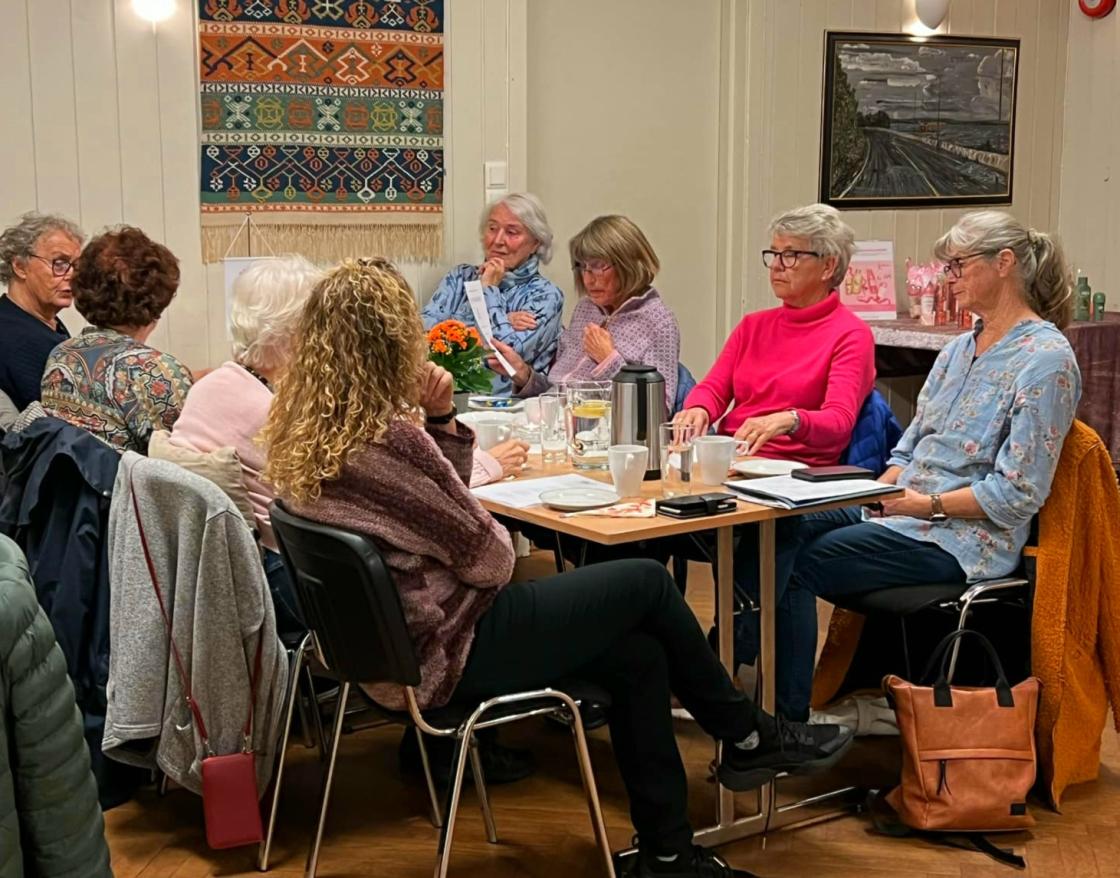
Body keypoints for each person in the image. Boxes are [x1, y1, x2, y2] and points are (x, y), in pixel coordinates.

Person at [262, 258, 852, 878]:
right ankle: (749, 735)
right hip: (448, 649)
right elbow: (493, 560)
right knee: (646, 581)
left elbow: (438, 511)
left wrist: (440, 423)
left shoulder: (309, 432)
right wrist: (435, 438)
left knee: (639, 658)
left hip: (383, 656)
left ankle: (670, 854)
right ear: (390, 346)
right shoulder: (388, 443)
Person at [737, 211, 1082, 721]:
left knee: (796, 566)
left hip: (962, 539)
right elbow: (909, 448)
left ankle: (786, 725)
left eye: (958, 265)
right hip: (902, 511)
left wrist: (922, 504)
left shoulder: (1046, 359)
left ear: (1004, 263)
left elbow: (1017, 494)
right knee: (771, 526)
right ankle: (735, 681)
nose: (949, 277)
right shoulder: (958, 349)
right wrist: (872, 495)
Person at [169, 255, 323, 637]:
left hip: (203, 579)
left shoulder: (211, 385)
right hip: (273, 583)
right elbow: (332, 502)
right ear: (294, 332)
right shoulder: (270, 411)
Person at [675, 204, 874, 465]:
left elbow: (839, 420)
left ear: (828, 266)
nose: (777, 266)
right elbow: (714, 389)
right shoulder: (752, 326)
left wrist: (790, 420)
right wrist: (698, 409)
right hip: (735, 458)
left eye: (791, 255)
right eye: (774, 254)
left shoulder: (851, 334)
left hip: (796, 470)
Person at [490, 214, 681, 412]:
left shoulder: (659, 322)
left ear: (628, 264)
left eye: (598, 266)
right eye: (583, 267)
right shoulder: (585, 308)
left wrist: (609, 361)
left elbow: (659, 411)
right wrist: (523, 374)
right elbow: (559, 391)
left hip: (601, 429)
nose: (588, 279)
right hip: (556, 421)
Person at [41, 226, 192, 453]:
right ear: (158, 300)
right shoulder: (155, 370)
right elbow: (187, 455)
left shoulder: (61, 354)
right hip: (126, 477)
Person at [423, 193, 564, 395]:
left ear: (536, 243)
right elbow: (424, 338)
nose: (498, 240)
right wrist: (502, 319)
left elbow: (503, 356)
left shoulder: (546, 295)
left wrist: (488, 290)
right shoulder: (460, 277)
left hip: (510, 408)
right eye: (492, 228)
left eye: (512, 232)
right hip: (447, 401)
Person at [0, 212, 82, 411]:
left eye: (77, 266)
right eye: (59, 263)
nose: (71, 275)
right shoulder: (10, 335)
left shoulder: (46, 323)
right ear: (20, 266)